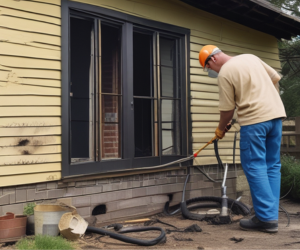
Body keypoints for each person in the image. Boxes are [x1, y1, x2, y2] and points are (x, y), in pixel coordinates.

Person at [198, 45, 286, 233]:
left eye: (209, 69)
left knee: (254, 166)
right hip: (276, 118)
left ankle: (266, 219)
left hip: (255, 123)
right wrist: (267, 105)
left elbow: (227, 110)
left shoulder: (225, 73)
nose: (212, 72)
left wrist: (220, 129)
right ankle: (270, 215)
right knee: (272, 165)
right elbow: (275, 79)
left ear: (212, 60)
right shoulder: (251, 57)